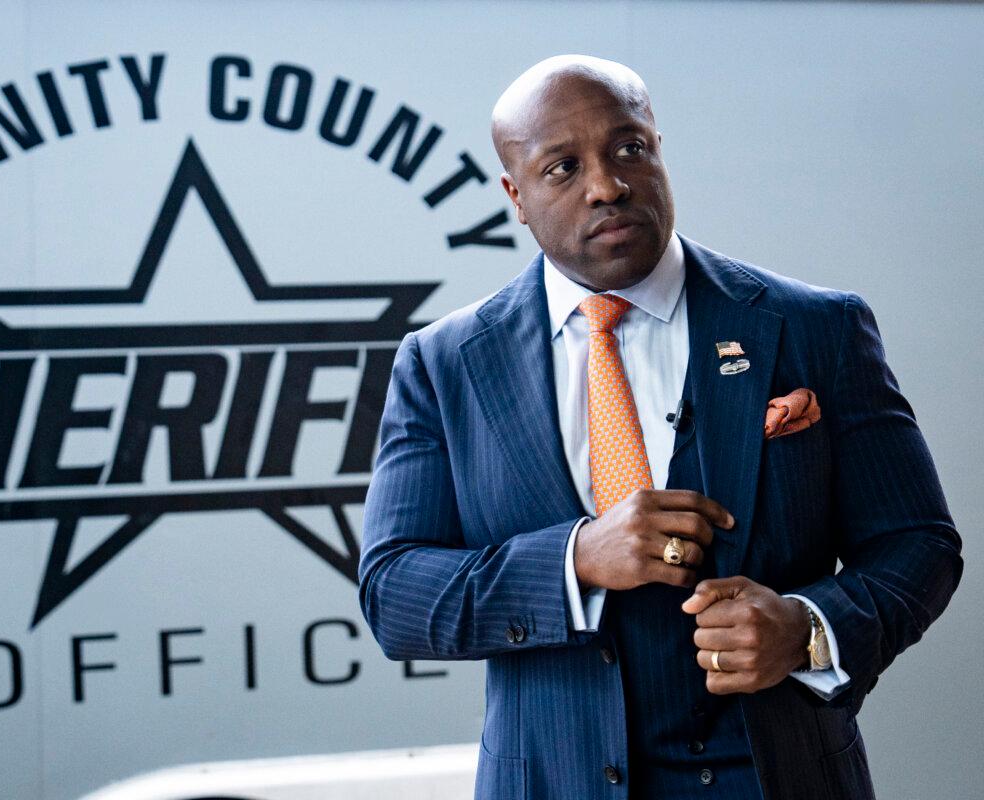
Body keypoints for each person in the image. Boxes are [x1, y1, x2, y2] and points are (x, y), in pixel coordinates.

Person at [358, 55, 962, 800]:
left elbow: (919, 543)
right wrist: (575, 558)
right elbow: (393, 593)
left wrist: (808, 628)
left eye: (628, 149)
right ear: (516, 196)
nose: (607, 185)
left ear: (658, 149)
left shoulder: (816, 327)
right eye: (562, 168)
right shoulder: (445, 363)